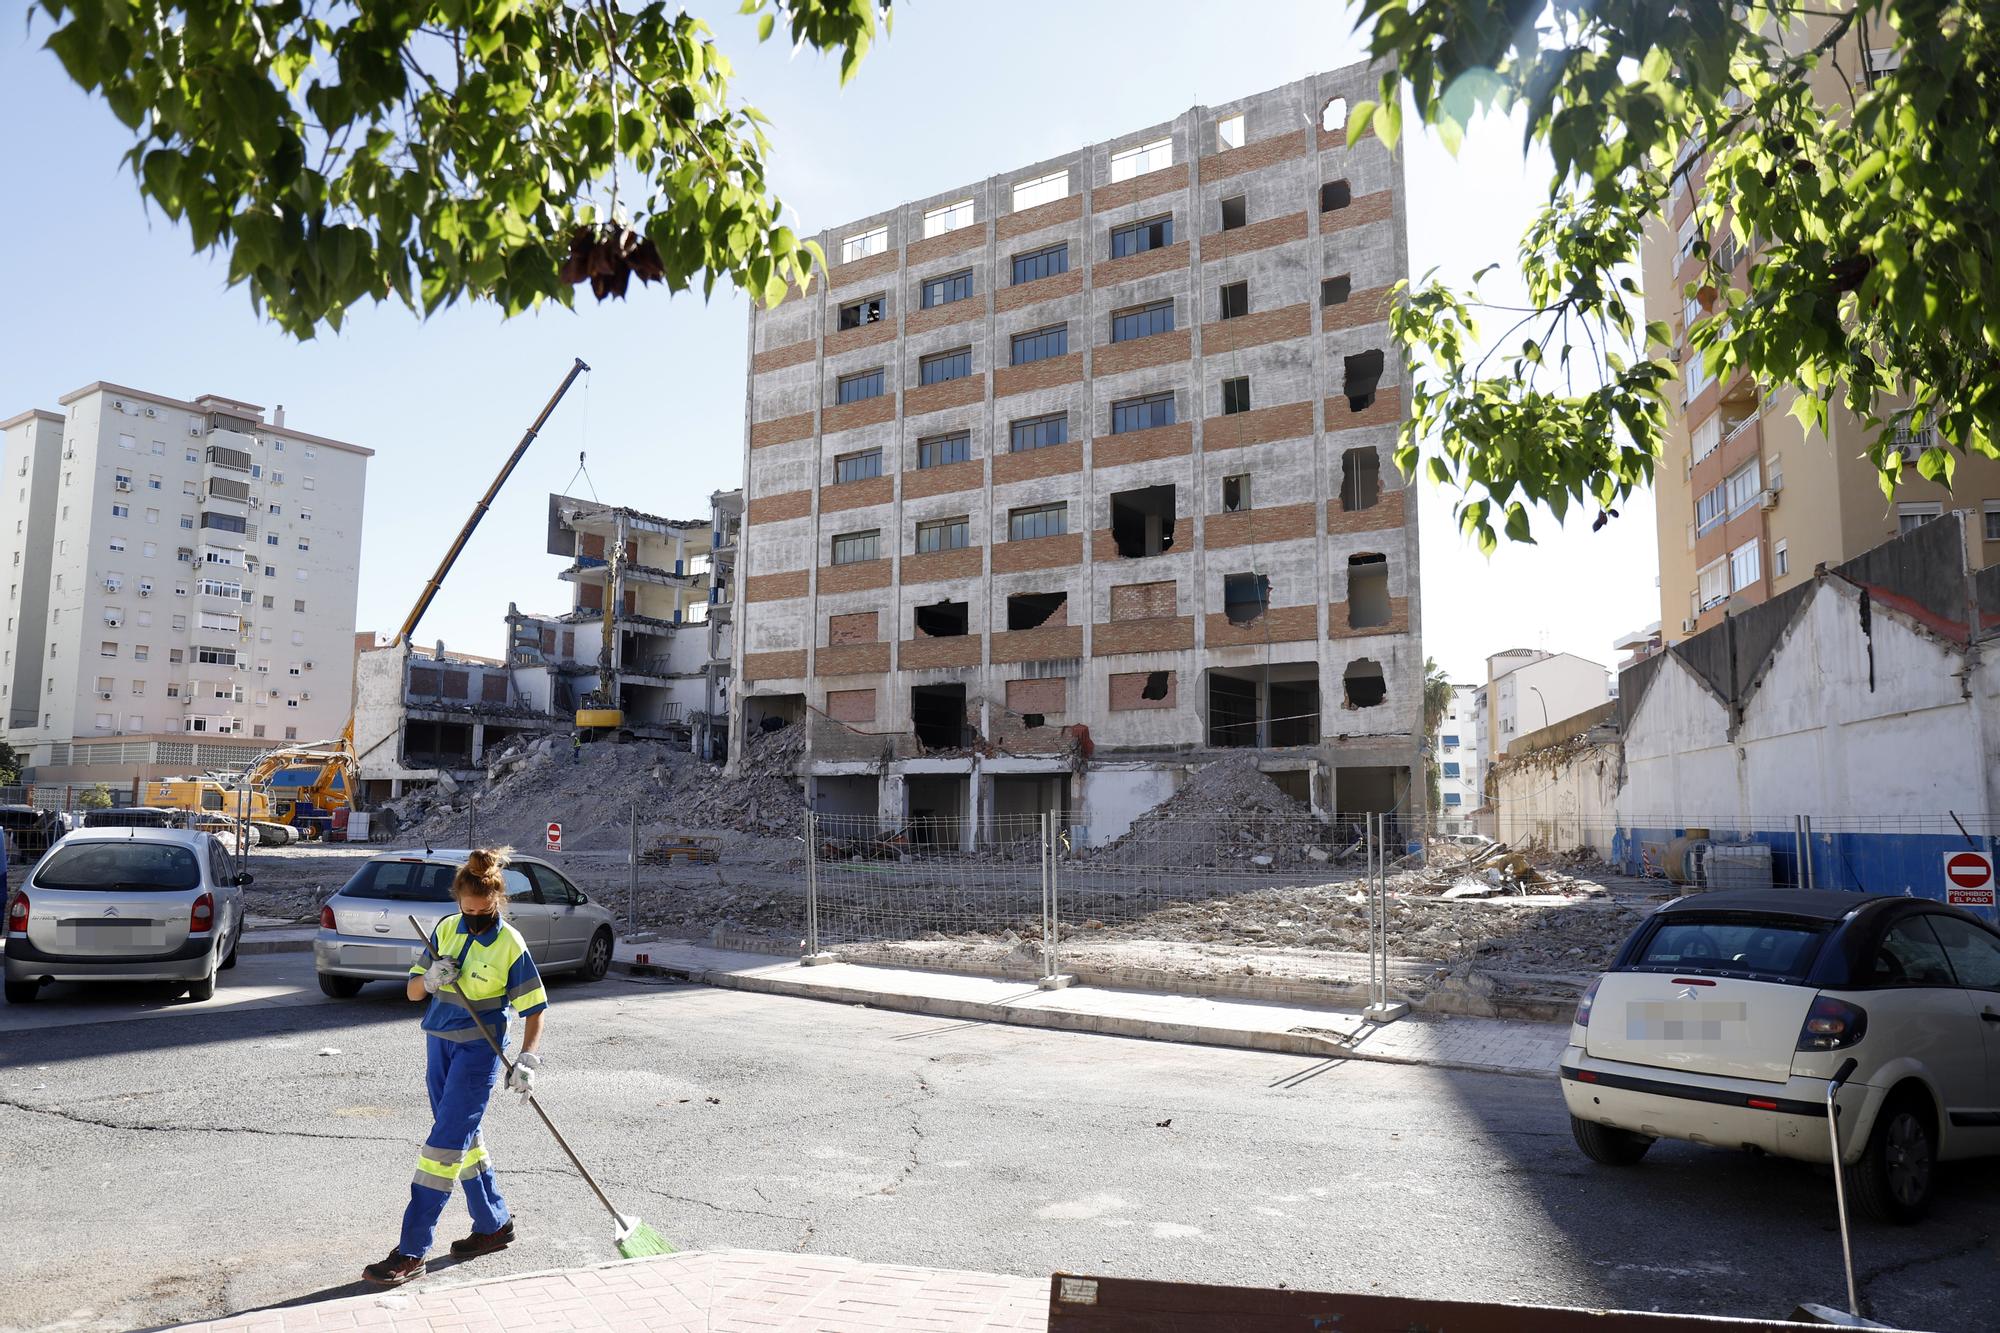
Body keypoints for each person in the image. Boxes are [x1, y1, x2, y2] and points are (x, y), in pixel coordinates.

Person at [362, 848, 549, 1287]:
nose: (475, 918)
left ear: (497, 902)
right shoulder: (445, 928)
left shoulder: (509, 943)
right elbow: (411, 993)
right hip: (439, 1043)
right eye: (468, 910)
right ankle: (493, 1224)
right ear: (458, 903)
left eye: (484, 911)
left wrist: (528, 1058)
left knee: (443, 1146)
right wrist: (428, 980)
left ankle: (411, 1250)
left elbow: (535, 1008)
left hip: (479, 1052)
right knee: (464, 1137)